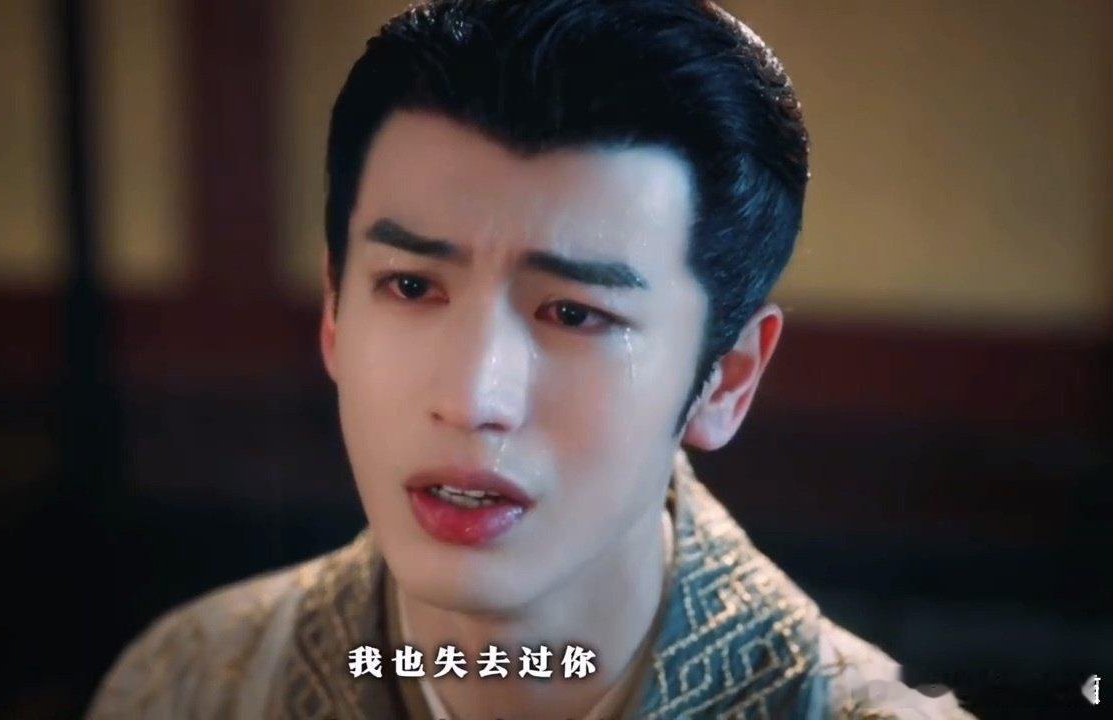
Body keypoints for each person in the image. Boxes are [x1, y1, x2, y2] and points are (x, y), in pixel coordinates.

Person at [87, 1, 975, 717]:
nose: (473, 397)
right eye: (410, 286)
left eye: (575, 313)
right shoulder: (186, 684)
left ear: (728, 378)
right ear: (332, 309)